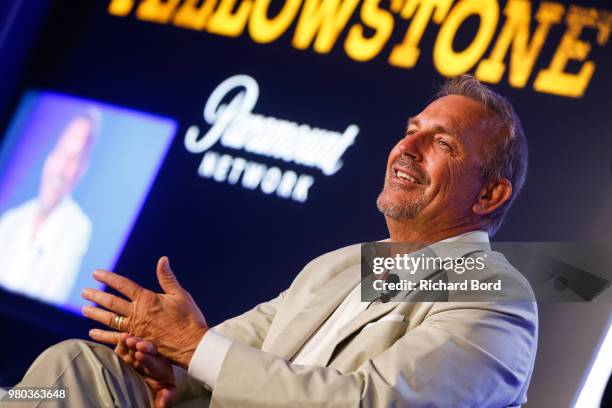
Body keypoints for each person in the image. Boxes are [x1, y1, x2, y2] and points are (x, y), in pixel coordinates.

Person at [12, 76, 537, 407]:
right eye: (411, 130)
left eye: (440, 143)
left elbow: (372, 402)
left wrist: (191, 347)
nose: (406, 147)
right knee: (68, 372)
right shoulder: (339, 267)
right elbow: (216, 356)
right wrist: (163, 361)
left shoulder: (494, 294)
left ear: (489, 194)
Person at [0, 111, 100, 304]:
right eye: (62, 152)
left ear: (82, 169)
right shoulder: (11, 220)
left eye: (75, 158)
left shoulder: (78, 229)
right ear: (49, 157)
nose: (62, 169)